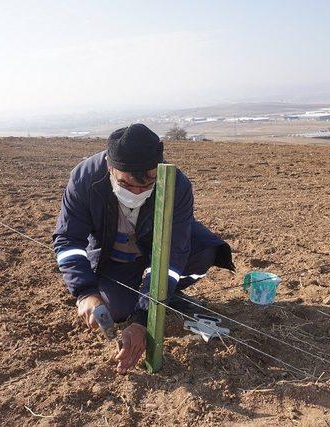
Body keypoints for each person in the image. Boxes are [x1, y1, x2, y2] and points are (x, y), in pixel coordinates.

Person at [53, 123, 234, 374]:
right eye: (127, 184)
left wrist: (141, 322)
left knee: (204, 250)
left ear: (158, 169)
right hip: (116, 257)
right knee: (114, 309)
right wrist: (85, 293)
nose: (138, 192)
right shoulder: (85, 179)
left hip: (159, 248)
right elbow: (68, 241)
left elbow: (172, 255)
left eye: (148, 182)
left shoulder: (176, 183)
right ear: (110, 167)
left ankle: (166, 295)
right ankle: (146, 296)